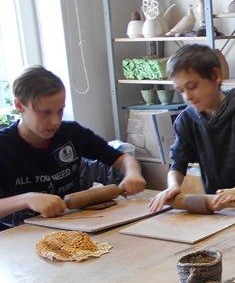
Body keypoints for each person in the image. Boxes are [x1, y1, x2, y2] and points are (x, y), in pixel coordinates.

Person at [0, 66, 146, 229]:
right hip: (17, 233)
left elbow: (122, 158)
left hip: (72, 225)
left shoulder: (71, 133)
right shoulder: (4, 146)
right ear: (19, 105)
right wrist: (26, 199)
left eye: (60, 111)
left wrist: (133, 173)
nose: (55, 121)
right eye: (46, 112)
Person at [149, 45, 235, 212]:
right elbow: (178, 162)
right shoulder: (186, 120)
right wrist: (173, 186)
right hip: (218, 206)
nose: (187, 96)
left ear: (216, 76)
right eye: (181, 91)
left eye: (192, 86)